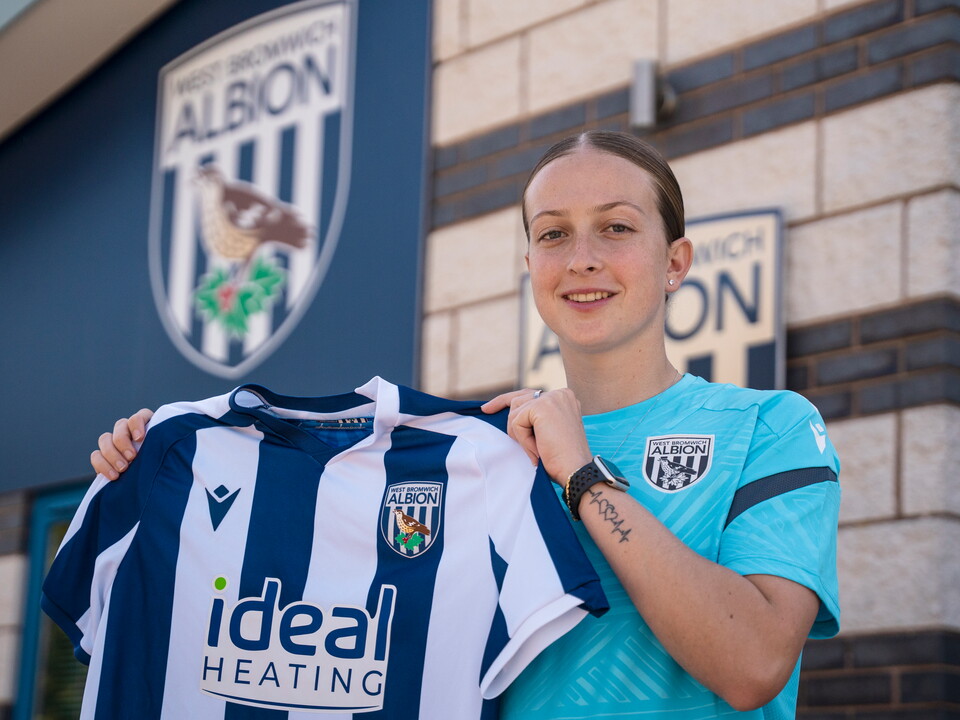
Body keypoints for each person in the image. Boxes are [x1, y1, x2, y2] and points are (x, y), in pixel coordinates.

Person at [91, 130, 840, 718]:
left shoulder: (770, 426)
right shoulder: (481, 450)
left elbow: (752, 665)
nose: (582, 258)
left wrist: (581, 476)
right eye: (553, 234)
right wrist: (160, 461)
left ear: (675, 261)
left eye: (616, 227)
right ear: (530, 264)